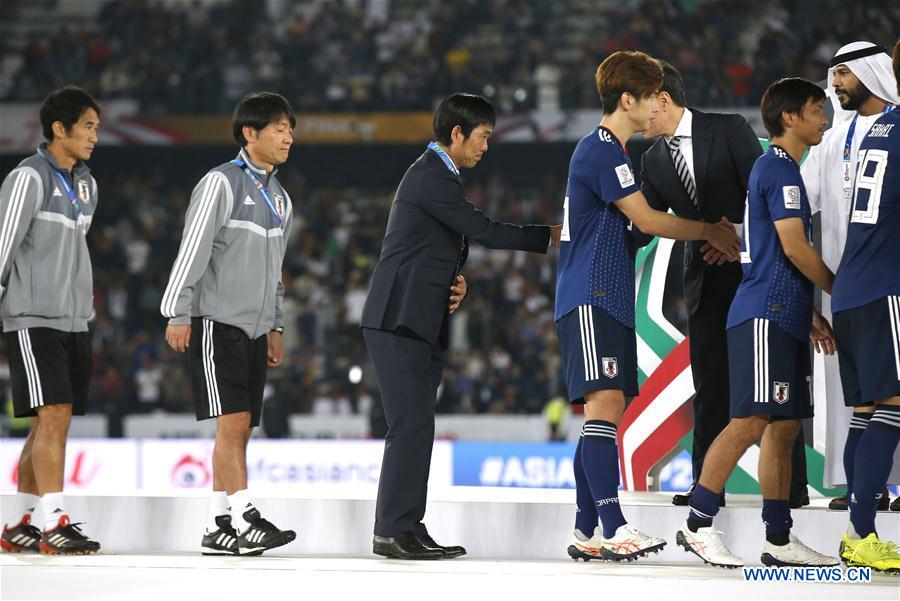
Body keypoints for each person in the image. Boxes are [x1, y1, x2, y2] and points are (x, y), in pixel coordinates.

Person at [556, 50, 741, 563]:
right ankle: (614, 526)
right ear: (627, 100)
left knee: (605, 412)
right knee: (604, 411)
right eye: (651, 97)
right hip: (591, 296)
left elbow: (633, 228)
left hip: (606, 297)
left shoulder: (611, 153)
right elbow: (648, 220)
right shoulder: (600, 150)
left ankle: (586, 529)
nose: (658, 105)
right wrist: (708, 230)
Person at [360, 92, 561, 560]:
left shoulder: (438, 176)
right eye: (483, 137)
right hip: (397, 319)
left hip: (416, 319)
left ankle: (408, 525)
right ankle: (391, 529)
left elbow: (431, 244)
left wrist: (455, 280)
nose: (486, 147)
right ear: (457, 133)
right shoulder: (431, 175)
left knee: (418, 427)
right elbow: (482, 228)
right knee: (409, 426)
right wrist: (547, 236)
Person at [675, 78, 839, 568]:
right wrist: (841, 291)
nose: (824, 119)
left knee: (784, 429)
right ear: (790, 117)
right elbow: (794, 248)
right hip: (765, 315)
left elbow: (774, 254)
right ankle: (697, 526)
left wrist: (808, 312)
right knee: (749, 421)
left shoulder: (779, 169)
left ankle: (778, 538)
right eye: (816, 109)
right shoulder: (780, 169)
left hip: (783, 313)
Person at [637, 61, 808, 508]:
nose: (634, 112)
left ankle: (792, 489)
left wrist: (736, 236)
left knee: (776, 384)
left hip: (759, 273)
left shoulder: (729, 128)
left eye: (640, 101)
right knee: (710, 381)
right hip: (705, 280)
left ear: (662, 99)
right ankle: (705, 486)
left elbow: (762, 192)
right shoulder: (653, 159)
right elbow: (641, 226)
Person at [161, 92, 296, 556]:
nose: (288, 137)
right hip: (216, 322)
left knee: (239, 430)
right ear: (250, 133)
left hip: (255, 329)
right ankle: (246, 518)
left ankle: (218, 525)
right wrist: (178, 311)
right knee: (234, 423)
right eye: (278, 129)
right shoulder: (221, 183)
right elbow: (192, 248)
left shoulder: (280, 199)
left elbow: (276, 270)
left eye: (290, 130)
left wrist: (276, 324)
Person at [0, 86, 101, 554]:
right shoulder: (28, 178)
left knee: (48, 422)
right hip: (33, 315)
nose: (94, 136)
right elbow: (4, 243)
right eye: (88, 127)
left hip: (74, 319)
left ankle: (20, 521)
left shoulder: (87, 185)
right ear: (59, 129)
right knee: (54, 413)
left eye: (96, 128)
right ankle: (54, 521)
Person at [800, 41, 900, 510]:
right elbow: (798, 210)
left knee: (869, 403)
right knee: (878, 400)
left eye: (843, 73)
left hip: (855, 287)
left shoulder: (885, 128)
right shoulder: (831, 141)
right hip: (863, 284)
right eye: (833, 74)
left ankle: (865, 499)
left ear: (873, 72)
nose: (835, 83)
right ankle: (865, 496)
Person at [832, 39, 900, 572]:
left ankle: (857, 528)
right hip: (884, 286)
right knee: (893, 407)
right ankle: (861, 532)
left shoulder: (870, 133)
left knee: (866, 412)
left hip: (850, 288)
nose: (835, 83)